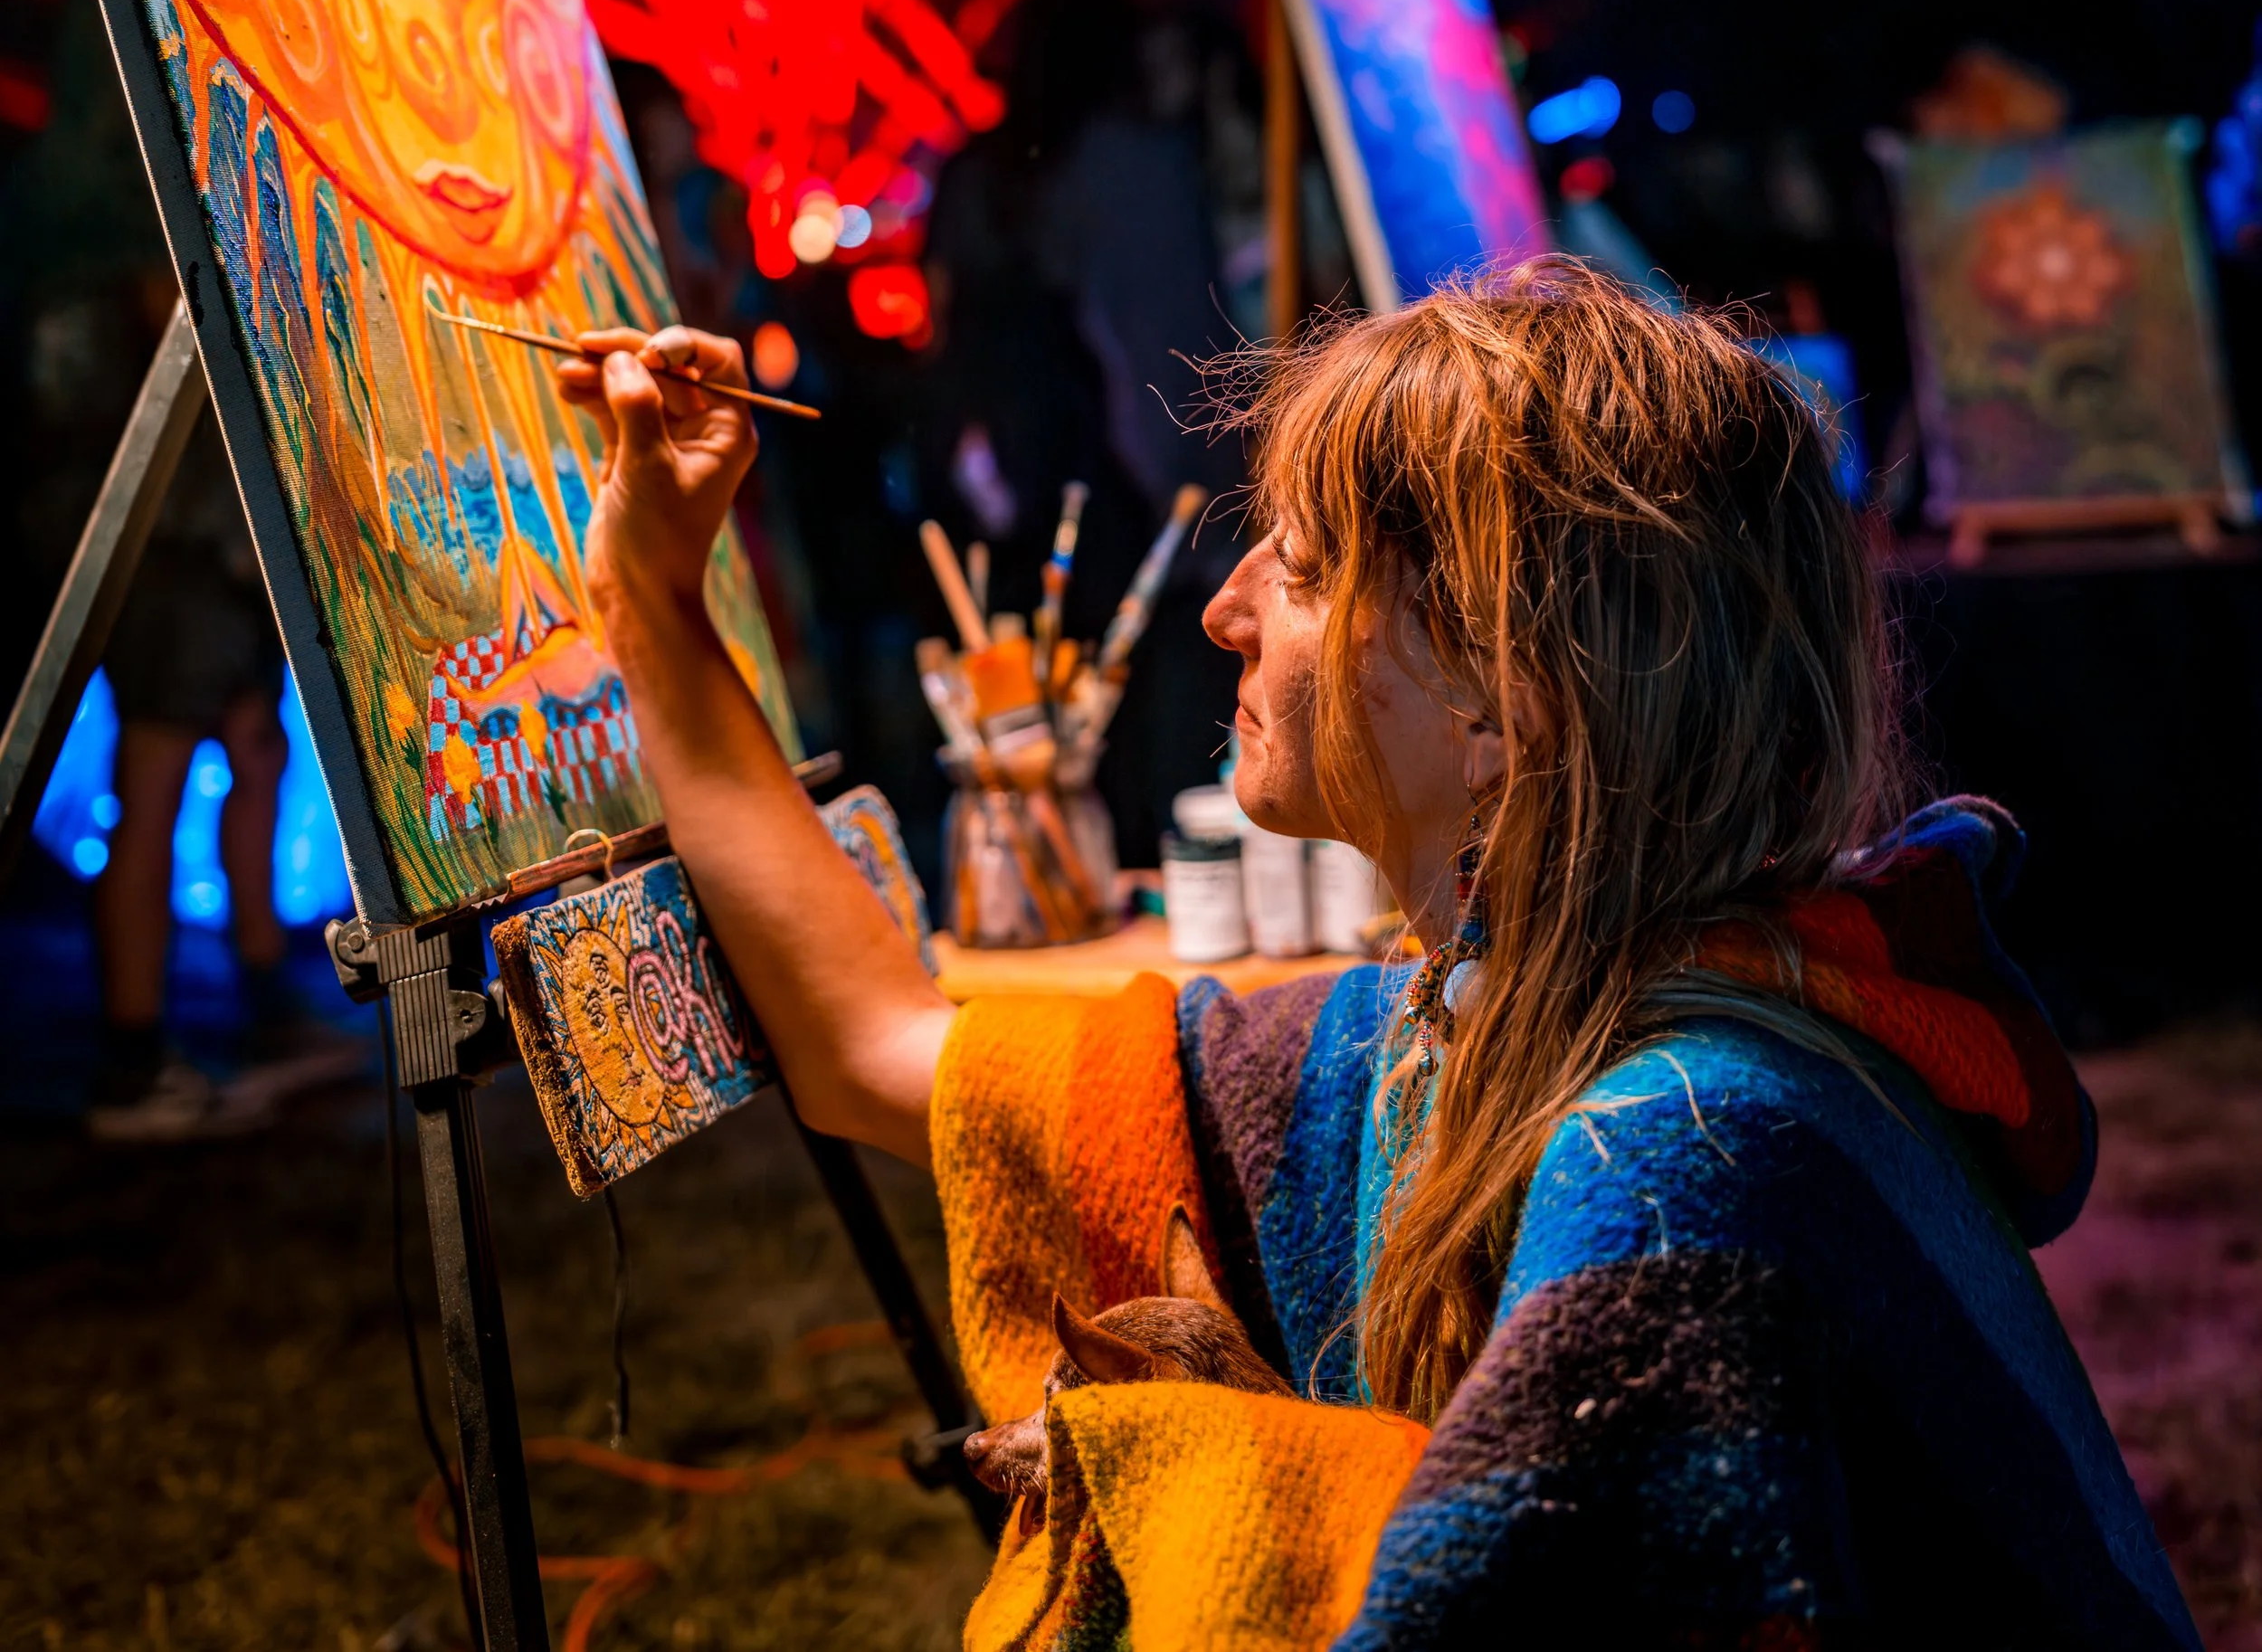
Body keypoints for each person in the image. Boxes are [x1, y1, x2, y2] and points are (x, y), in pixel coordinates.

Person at [560, 264, 2197, 1647]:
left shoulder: (1685, 1157)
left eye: (1303, 565)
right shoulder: (1483, 1022)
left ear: (1500, 701)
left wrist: (1202, 1471)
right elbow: (875, 1050)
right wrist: (653, 591)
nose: (1228, 613)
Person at [84, 414, 329, 1141]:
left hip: (233, 542)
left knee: (257, 752)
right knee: (154, 777)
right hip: (171, 535)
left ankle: (269, 1012)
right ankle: (132, 1062)